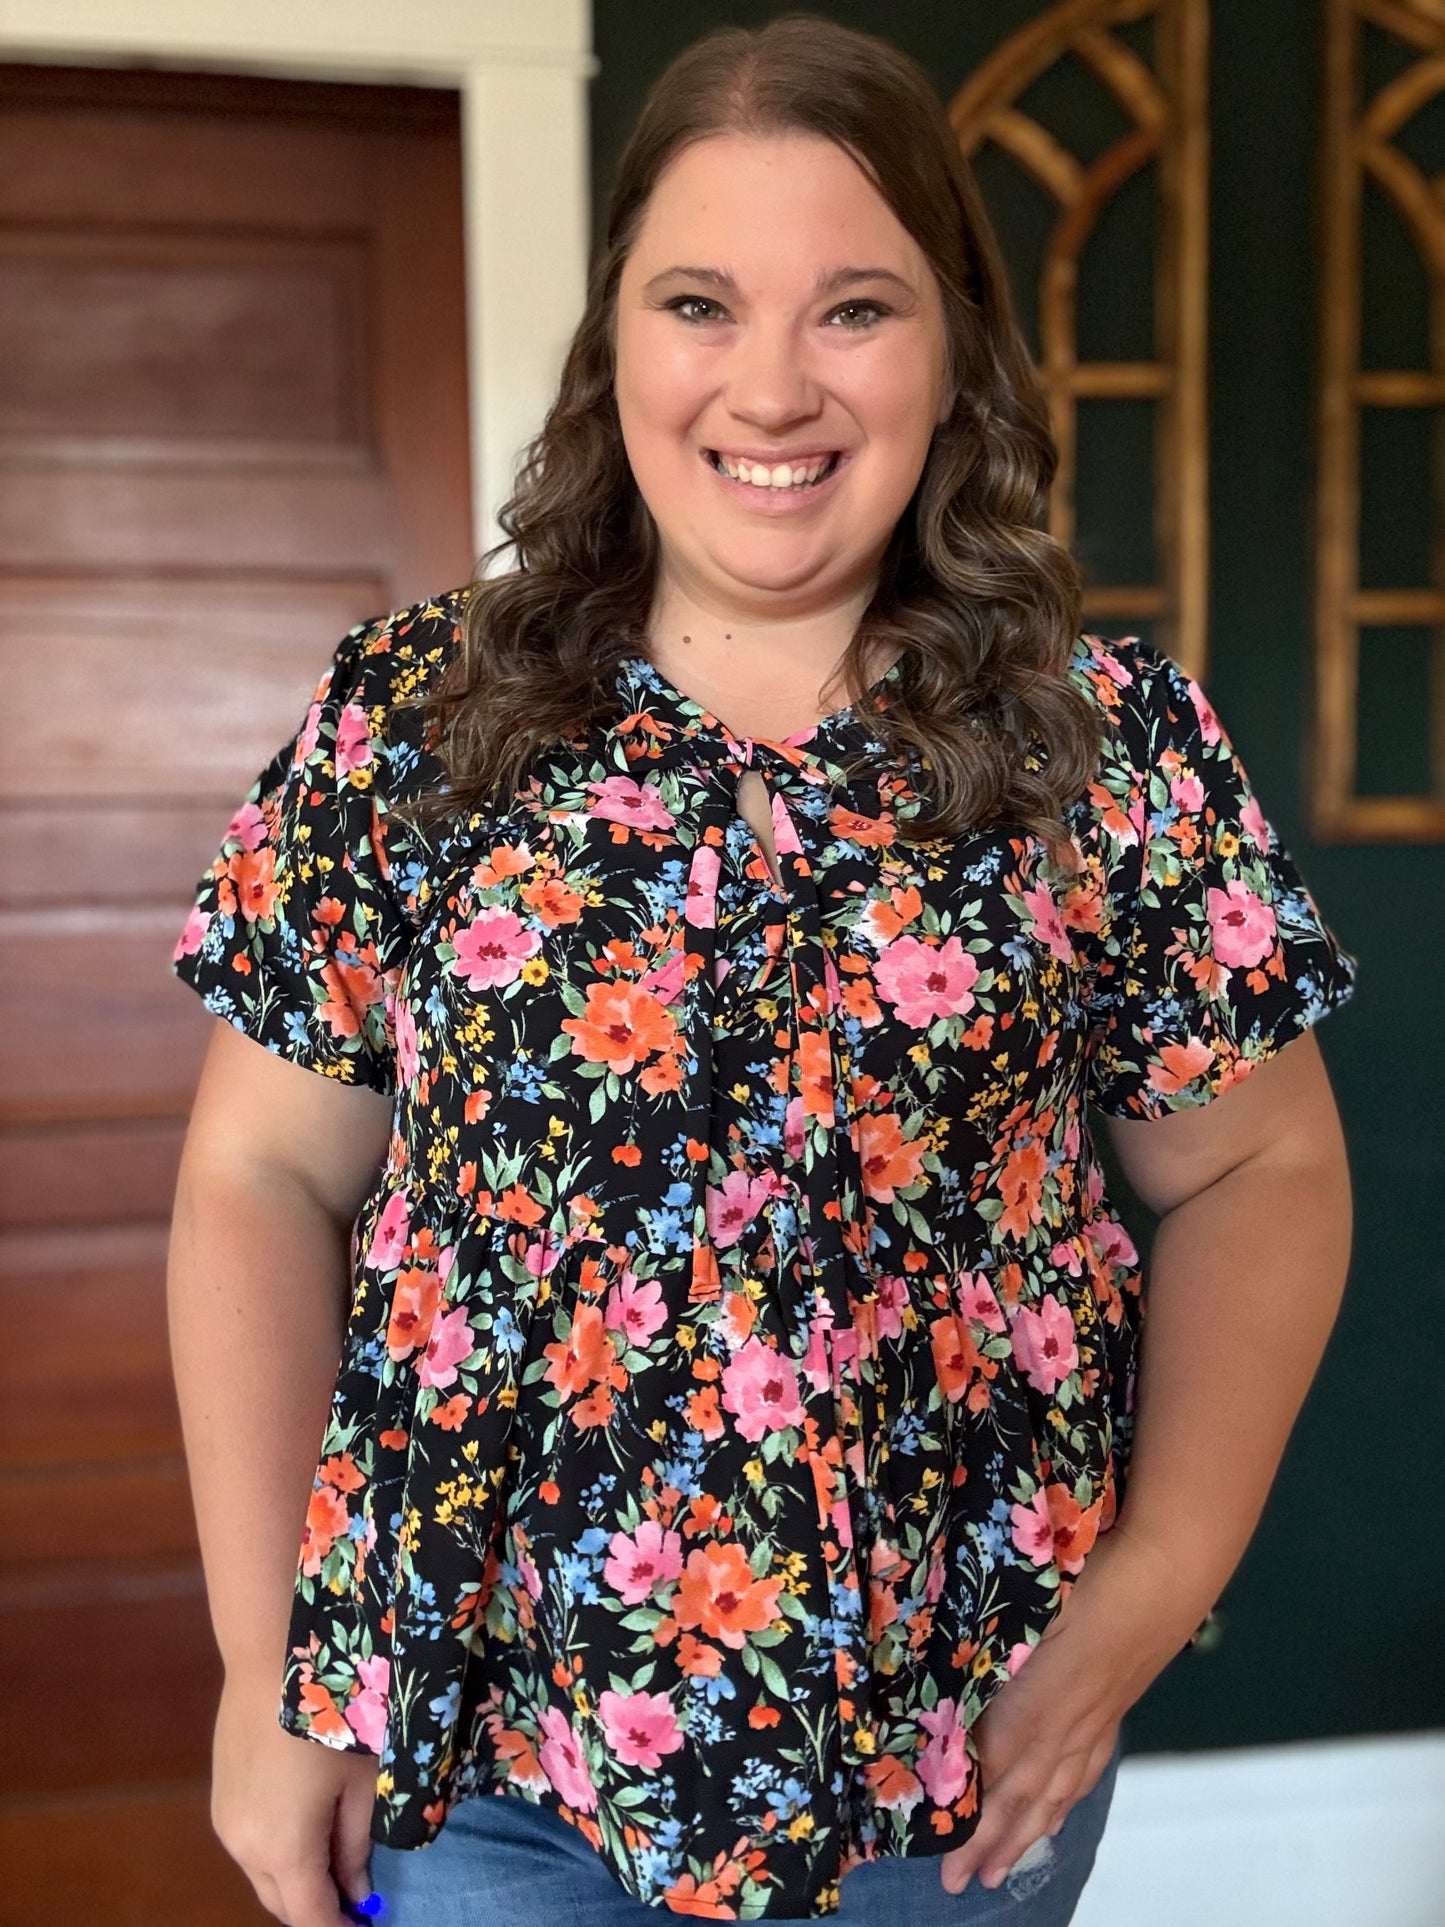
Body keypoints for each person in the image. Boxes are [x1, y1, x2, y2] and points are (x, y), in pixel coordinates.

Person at [166, 15, 1359, 1926]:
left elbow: (1261, 1170)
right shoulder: (415, 714)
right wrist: (266, 1660)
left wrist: (1153, 1590)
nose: (774, 386)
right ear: (616, 340)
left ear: (954, 349)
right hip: (477, 1737)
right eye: (700, 301)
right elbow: (258, 1173)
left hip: (947, 1757)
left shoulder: (1098, 744)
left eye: (858, 309)